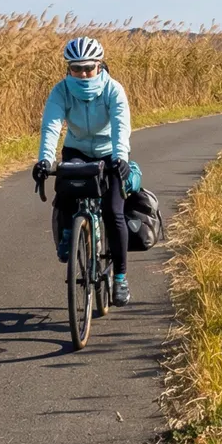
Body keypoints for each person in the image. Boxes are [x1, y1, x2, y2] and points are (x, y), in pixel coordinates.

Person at [33, 36, 133, 304]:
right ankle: (68, 234)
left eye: (88, 67)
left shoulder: (113, 89)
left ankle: (121, 278)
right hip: (76, 149)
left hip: (110, 151)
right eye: (76, 68)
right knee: (66, 192)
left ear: (99, 65)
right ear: (68, 69)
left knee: (114, 212)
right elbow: (52, 125)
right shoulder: (61, 91)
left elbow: (121, 125)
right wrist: (44, 159)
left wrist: (121, 157)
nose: (83, 73)